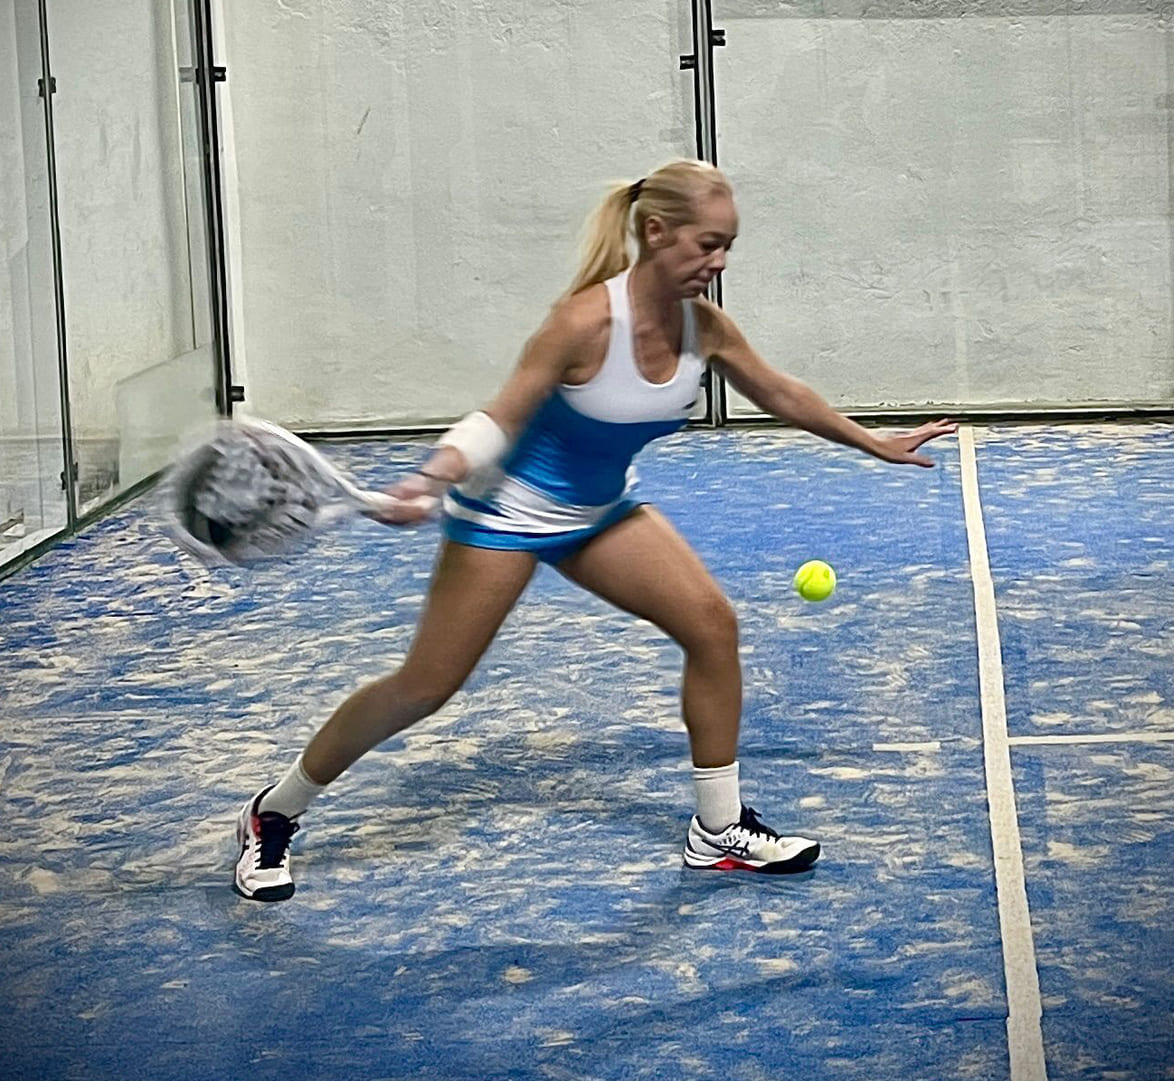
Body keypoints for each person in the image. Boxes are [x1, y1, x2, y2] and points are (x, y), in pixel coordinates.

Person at [234, 158, 955, 901]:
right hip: (505, 514)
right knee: (424, 687)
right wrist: (433, 475)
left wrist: (874, 440)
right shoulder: (582, 322)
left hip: (600, 513)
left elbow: (778, 390)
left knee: (712, 625)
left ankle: (717, 829)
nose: (719, 262)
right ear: (654, 231)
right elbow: (501, 415)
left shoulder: (702, 327)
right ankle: (274, 812)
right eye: (707, 244)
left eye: (727, 245)